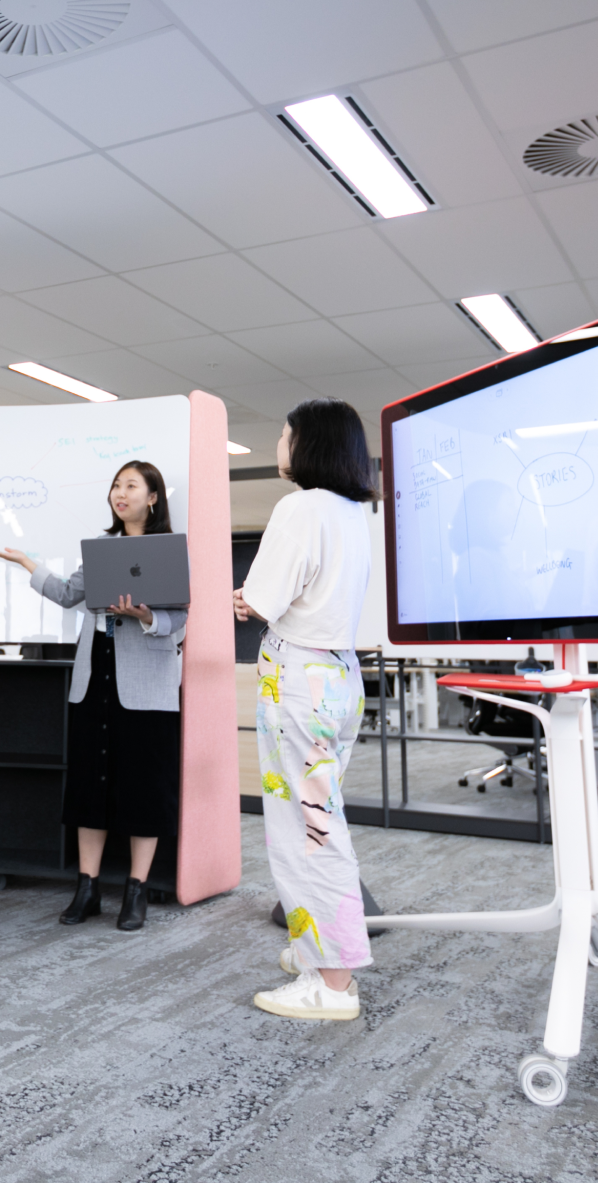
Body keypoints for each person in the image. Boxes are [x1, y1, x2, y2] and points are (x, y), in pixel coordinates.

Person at [0, 461, 185, 932]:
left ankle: (135, 893)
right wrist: (27, 564)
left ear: (153, 497)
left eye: (131, 486)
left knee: (143, 787)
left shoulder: (170, 552)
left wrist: (144, 615)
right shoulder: (100, 548)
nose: (120, 493)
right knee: (90, 785)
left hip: (147, 686)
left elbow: (178, 620)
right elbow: (67, 594)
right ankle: (88, 888)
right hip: (95, 674)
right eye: (116, 485)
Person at [233, 399, 378, 1021]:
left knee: (309, 829)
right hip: (339, 675)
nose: (280, 442)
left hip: (300, 679)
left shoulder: (298, 507)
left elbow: (263, 598)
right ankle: (313, 949)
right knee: (316, 817)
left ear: (308, 444)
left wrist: (245, 600)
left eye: (285, 432)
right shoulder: (354, 512)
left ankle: (335, 982)